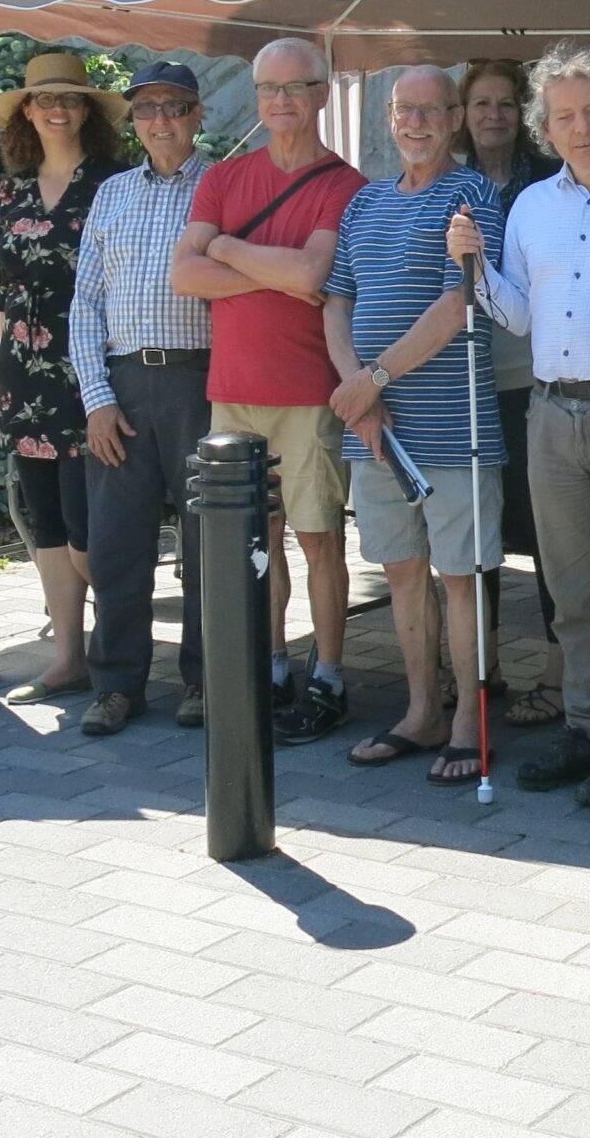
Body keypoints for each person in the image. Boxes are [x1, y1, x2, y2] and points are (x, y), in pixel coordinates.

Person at [449, 42, 590, 807]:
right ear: (546, 126)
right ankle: (584, 724)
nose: (581, 126)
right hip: (549, 410)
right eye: (565, 116)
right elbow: (516, 315)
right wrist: (475, 268)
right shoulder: (532, 206)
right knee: (572, 587)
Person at [172, 38, 368, 744]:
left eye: (296, 86)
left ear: (322, 94)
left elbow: (314, 276)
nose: (281, 101)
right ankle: (275, 663)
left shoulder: (344, 184)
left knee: (318, 538)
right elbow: (183, 275)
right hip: (236, 389)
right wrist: (271, 269)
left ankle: (331, 674)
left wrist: (225, 248)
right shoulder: (224, 178)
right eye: (268, 88)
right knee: (260, 538)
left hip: (308, 389)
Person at [328, 67, 506, 784]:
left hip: (451, 424)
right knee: (401, 571)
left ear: (455, 116)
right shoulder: (364, 203)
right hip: (373, 430)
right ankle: (421, 710)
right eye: (405, 109)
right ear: (390, 117)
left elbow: (457, 305)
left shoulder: (474, 196)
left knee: (458, 577)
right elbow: (335, 303)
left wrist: (373, 381)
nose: (416, 122)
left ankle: (469, 722)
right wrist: (358, 395)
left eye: (432, 110)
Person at [0, 52, 131, 704]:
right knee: (43, 521)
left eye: (70, 99)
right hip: (23, 372)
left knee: (85, 524)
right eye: (45, 100)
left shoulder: (114, 184)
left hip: (85, 371)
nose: (58, 109)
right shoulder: (10, 189)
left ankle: (118, 651)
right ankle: (68, 657)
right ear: (28, 113)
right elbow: (3, 284)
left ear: (88, 111)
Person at [69, 62, 212, 737]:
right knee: (117, 544)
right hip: (122, 388)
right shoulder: (112, 194)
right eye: (147, 108)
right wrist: (96, 397)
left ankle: (206, 679)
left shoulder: (223, 186)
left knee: (209, 539)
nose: (160, 120)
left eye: (174, 107)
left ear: (198, 115)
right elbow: (84, 302)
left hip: (202, 380)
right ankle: (117, 684)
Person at [455, 58, 561, 729]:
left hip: (530, 377)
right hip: (463, 380)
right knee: (476, 529)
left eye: (504, 103)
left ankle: (556, 671)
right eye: (481, 103)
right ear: (463, 113)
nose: (492, 114)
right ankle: (481, 666)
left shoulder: (547, 183)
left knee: (549, 533)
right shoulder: (451, 182)